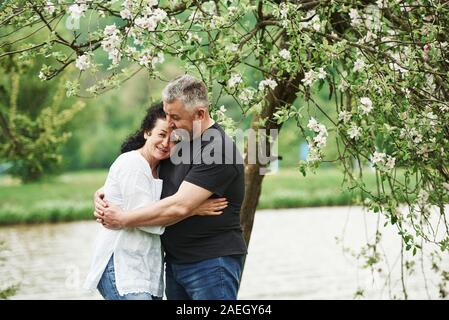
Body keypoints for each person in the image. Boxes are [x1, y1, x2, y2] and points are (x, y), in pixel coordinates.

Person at [94, 75, 248, 300]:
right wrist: (104, 193)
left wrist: (123, 218)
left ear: (200, 115)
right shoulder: (179, 140)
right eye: (167, 114)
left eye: (175, 116)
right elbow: (140, 170)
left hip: (211, 264)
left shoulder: (217, 149)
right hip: (175, 264)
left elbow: (179, 206)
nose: (170, 122)